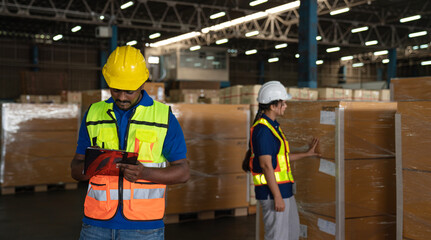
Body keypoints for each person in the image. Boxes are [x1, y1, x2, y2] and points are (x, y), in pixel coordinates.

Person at [70, 45, 190, 240]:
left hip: (144, 228)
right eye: (116, 90)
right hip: (95, 225)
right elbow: (75, 169)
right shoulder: (93, 114)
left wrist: (145, 173)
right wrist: (94, 165)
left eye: (129, 91)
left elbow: (183, 172)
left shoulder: (163, 117)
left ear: (142, 83)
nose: (122, 97)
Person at [242, 81, 320, 240]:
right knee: (277, 236)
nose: (285, 106)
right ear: (272, 106)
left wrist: (307, 154)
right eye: (283, 103)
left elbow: (280, 159)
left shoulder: (273, 126)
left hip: (284, 191)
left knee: (291, 234)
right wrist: (277, 196)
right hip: (273, 194)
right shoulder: (263, 131)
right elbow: (266, 166)